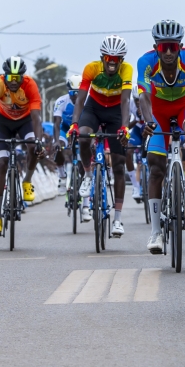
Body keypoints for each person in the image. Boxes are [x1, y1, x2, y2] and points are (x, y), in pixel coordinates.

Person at [135, 20, 185, 254]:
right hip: (158, 111)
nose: (168, 52)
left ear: (180, 47)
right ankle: (156, 232)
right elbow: (144, 97)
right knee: (156, 168)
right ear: (156, 47)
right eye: (163, 47)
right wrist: (148, 122)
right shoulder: (146, 62)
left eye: (173, 47)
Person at [71, 35, 134, 236]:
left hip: (115, 112)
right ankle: (88, 175)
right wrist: (74, 123)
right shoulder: (91, 68)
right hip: (94, 108)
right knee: (83, 136)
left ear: (122, 59)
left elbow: (125, 101)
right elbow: (80, 99)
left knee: (118, 165)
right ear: (102, 58)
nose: (112, 63)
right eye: (108, 58)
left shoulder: (127, 70)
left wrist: (124, 127)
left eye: (116, 59)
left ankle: (118, 219)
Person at [0, 57, 46, 236]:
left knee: (32, 147)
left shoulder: (30, 85)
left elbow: (36, 119)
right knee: (2, 164)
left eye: (17, 78)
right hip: (3, 124)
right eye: (10, 77)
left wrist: (39, 141)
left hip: (25, 122)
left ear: (23, 77)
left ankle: (27, 181)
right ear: (5, 76)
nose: (14, 82)